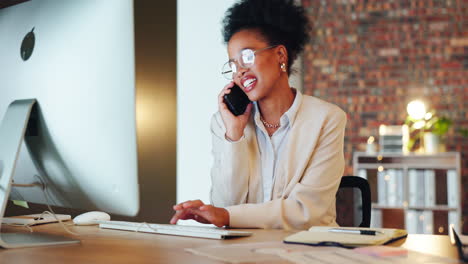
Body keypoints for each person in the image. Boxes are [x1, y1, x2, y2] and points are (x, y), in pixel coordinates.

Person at [170, 0, 346, 230]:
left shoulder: (327, 119)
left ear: (280, 55)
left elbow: (308, 211)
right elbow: (227, 205)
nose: (240, 71)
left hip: (308, 250)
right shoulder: (223, 124)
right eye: (233, 65)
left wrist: (227, 216)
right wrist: (234, 135)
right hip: (247, 250)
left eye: (247, 57)